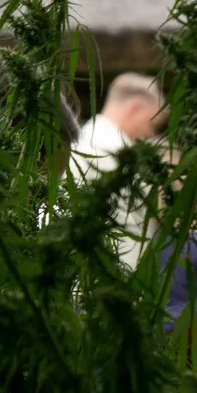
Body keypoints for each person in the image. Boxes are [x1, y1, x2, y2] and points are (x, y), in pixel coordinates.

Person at [69, 72, 166, 270]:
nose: (150, 134)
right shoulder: (108, 151)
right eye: (152, 124)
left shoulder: (85, 141)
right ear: (134, 108)